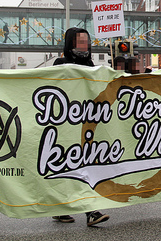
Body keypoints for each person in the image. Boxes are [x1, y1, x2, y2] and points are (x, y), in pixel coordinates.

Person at [52, 28, 111, 226]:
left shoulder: (90, 64)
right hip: (66, 124)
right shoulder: (60, 63)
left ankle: (90, 211)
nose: (84, 44)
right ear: (71, 43)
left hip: (86, 124)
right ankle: (61, 207)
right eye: (80, 41)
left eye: (87, 41)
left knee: (86, 167)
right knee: (68, 167)